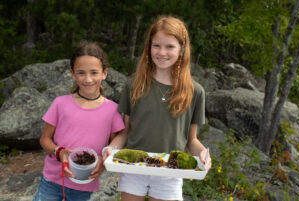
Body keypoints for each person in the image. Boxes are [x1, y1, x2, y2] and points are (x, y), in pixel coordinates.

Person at [103, 16, 212, 201]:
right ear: (149, 47)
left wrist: (203, 153)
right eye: (156, 46)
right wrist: (110, 149)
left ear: (182, 49)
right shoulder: (134, 84)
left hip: (171, 170)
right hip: (133, 167)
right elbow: (125, 133)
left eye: (170, 46)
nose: (162, 52)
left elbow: (191, 140)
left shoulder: (195, 92)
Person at [33, 41, 125, 201]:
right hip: (53, 181)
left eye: (94, 72)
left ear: (105, 73)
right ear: (72, 73)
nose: (88, 79)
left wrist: (103, 160)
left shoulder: (112, 110)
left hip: (85, 183)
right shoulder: (60, 103)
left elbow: (116, 141)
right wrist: (59, 152)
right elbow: (44, 139)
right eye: (81, 73)